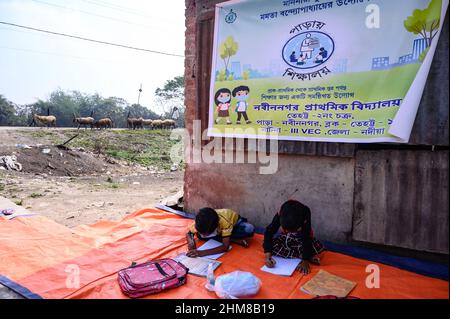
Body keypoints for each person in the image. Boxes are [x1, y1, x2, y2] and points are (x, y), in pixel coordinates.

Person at [263, 200, 324, 274]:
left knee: (314, 246)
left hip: (301, 239)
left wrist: (305, 260)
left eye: (293, 230)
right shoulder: (281, 213)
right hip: (286, 239)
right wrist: (267, 256)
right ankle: (301, 255)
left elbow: (307, 238)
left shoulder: (305, 213)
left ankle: (304, 256)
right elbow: (269, 232)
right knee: (270, 246)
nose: (290, 232)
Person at [186, 208, 255, 258]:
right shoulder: (199, 222)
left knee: (249, 229)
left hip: (235, 225)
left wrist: (202, 253)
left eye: (206, 234)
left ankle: (227, 237)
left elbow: (225, 247)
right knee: (200, 236)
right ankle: (231, 239)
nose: (204, 235)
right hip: (219, 232)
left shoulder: (224, 221)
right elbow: (189, 234)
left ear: (216, 227)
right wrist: (191, 244)